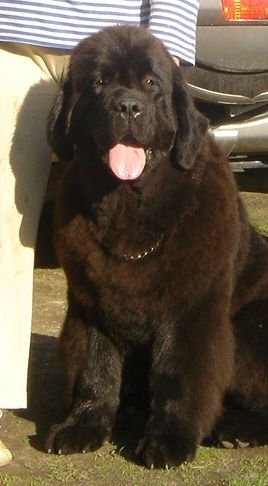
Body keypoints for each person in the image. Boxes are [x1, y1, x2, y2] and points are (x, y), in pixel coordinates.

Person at [0, 0, 200, 467]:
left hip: (124, 52)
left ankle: (157, 396)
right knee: (0, 220)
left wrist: (163, 47)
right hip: (11, 36)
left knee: (157, 236)